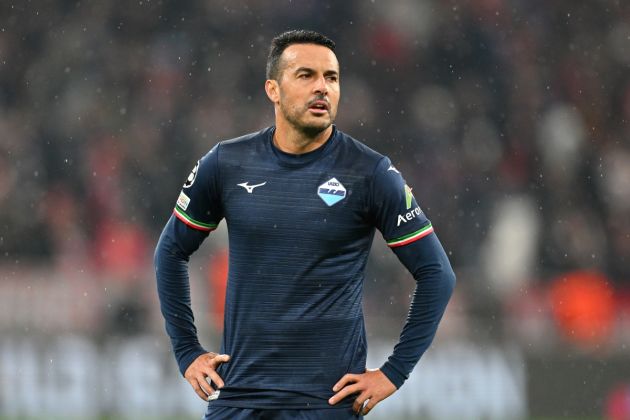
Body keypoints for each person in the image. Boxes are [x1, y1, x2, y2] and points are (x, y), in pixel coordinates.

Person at [154, 29, 455, 419]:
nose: (322, 88)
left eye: (331, 78)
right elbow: (171, 251)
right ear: (273, 90)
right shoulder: (227, 164)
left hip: (325, 404)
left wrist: (394, 372)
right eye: (306, 75)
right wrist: (187, 352)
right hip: (239, 398)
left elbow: (436, 274)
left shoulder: (370, 173)